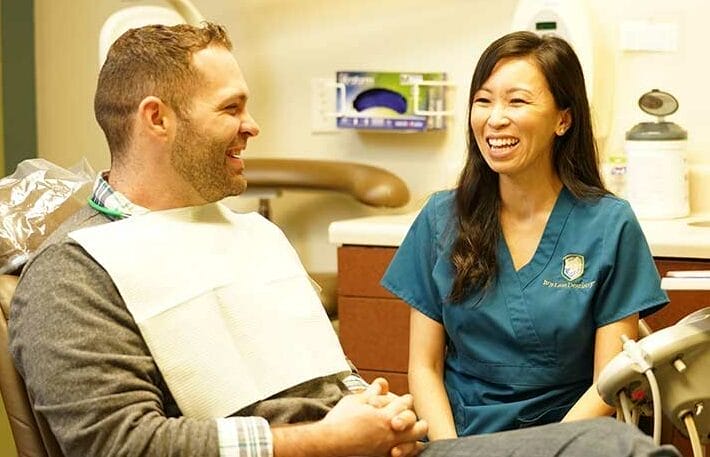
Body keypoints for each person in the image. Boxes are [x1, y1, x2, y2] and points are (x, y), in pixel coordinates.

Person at [7, 23, 677, 457]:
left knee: (613, 445)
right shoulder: (73, 274)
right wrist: (323, 438)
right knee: (613, 451)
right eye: (232, 108)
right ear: (157, 120)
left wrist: (367, 405)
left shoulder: (249, 236)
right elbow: (120, 446)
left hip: (385, 446)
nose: (255, 126)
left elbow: (316, 376)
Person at [381, 30, 669, 440]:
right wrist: (452, 451)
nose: (495, 118)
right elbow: (424, 368)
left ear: (563, 119)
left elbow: (609, 383)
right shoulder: (441, 217)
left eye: (517, 101)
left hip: (569, 437)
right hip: (460, 434)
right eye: (483, 100)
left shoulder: (609, 224)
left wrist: (545, 450)